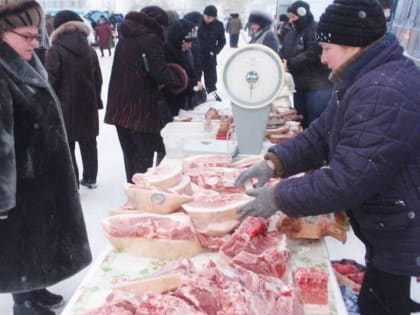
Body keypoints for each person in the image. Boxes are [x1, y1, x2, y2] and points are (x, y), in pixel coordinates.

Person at [235, 0, 420, 314]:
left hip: (401, 222)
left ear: (353, 45)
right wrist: (274, 162)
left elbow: (349, 178)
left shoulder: (382, 90)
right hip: (388, 220)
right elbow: (321, 134)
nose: (321, 58)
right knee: (379, 298)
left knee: (383, 303)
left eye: (326, 48)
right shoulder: (362, 76)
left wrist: (279, 196)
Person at [0, 1, 92, 315]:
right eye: (26, 35)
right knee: (21, 249)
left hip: (39, 177)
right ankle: (24, 304)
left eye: (36, 34)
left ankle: (35, 290)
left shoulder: (23, 60)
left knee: (38, 243)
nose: (35, 42)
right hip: (19, 186)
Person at [104, 6, 188, 182]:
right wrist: (179, 77)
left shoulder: (125, 38)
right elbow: (158, 72)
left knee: (131, 158)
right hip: (141, 110)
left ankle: (134, 195)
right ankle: (142, 198)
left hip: (120, 108)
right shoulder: (151, 40)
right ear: (156, 22)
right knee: (144, 162)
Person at [45, 10, 103, 189]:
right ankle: (91, 178)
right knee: (89, 142)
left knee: (68, 145)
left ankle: (73, 182)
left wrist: (49, 105)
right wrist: (96, 99)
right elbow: (98, 79)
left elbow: (51, 80)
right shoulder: (89, 50)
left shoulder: (56, 50)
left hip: (65, 106)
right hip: (88, 104)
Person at [279, 0, 332, 128]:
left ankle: (319, 148)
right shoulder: (291, 32)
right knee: (301, 122)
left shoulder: (315, 29)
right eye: (289, 17)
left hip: (317, 87)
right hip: (299, 86)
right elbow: (284, 50)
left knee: (316, 125)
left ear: (303, 14)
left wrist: (290, 63)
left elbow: (312, 53)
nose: (290, 20)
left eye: (293, 17)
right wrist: (278, 58)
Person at [164, 18, 204, 114]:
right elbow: (173, 78)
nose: (190, 45)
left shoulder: (183, 51)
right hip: (171, 103)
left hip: (184, 100)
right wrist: (192, 83)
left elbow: (190, 70)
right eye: (188, 42)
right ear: (180, 39)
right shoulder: (167, 52)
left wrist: (196, 82)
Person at [197, 4, 226, 101]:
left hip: (210, 56)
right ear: (203, 15)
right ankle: (196, 94)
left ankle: (212, 92)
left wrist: (214, 51)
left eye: (211, 17)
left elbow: (222, 41)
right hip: (197, 55)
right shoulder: (198, 23)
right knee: (196, 76)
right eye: (207, 16)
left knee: (211, 77)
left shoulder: (219, 25)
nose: (208, 19)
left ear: (214, 17)